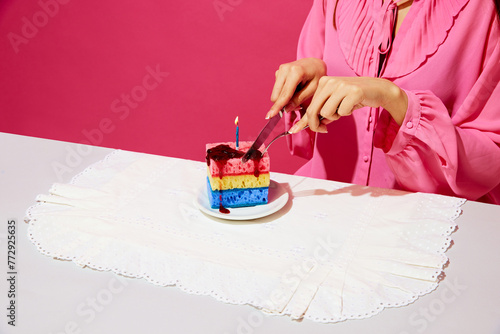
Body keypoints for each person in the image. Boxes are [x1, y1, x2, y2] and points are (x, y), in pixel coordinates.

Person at [266, 0, 500, 204]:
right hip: (329, 209)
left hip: (423, 225)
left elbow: (491, 155)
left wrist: (395, 99)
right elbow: (314, 130)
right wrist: (315, 76)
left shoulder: (483, 11)